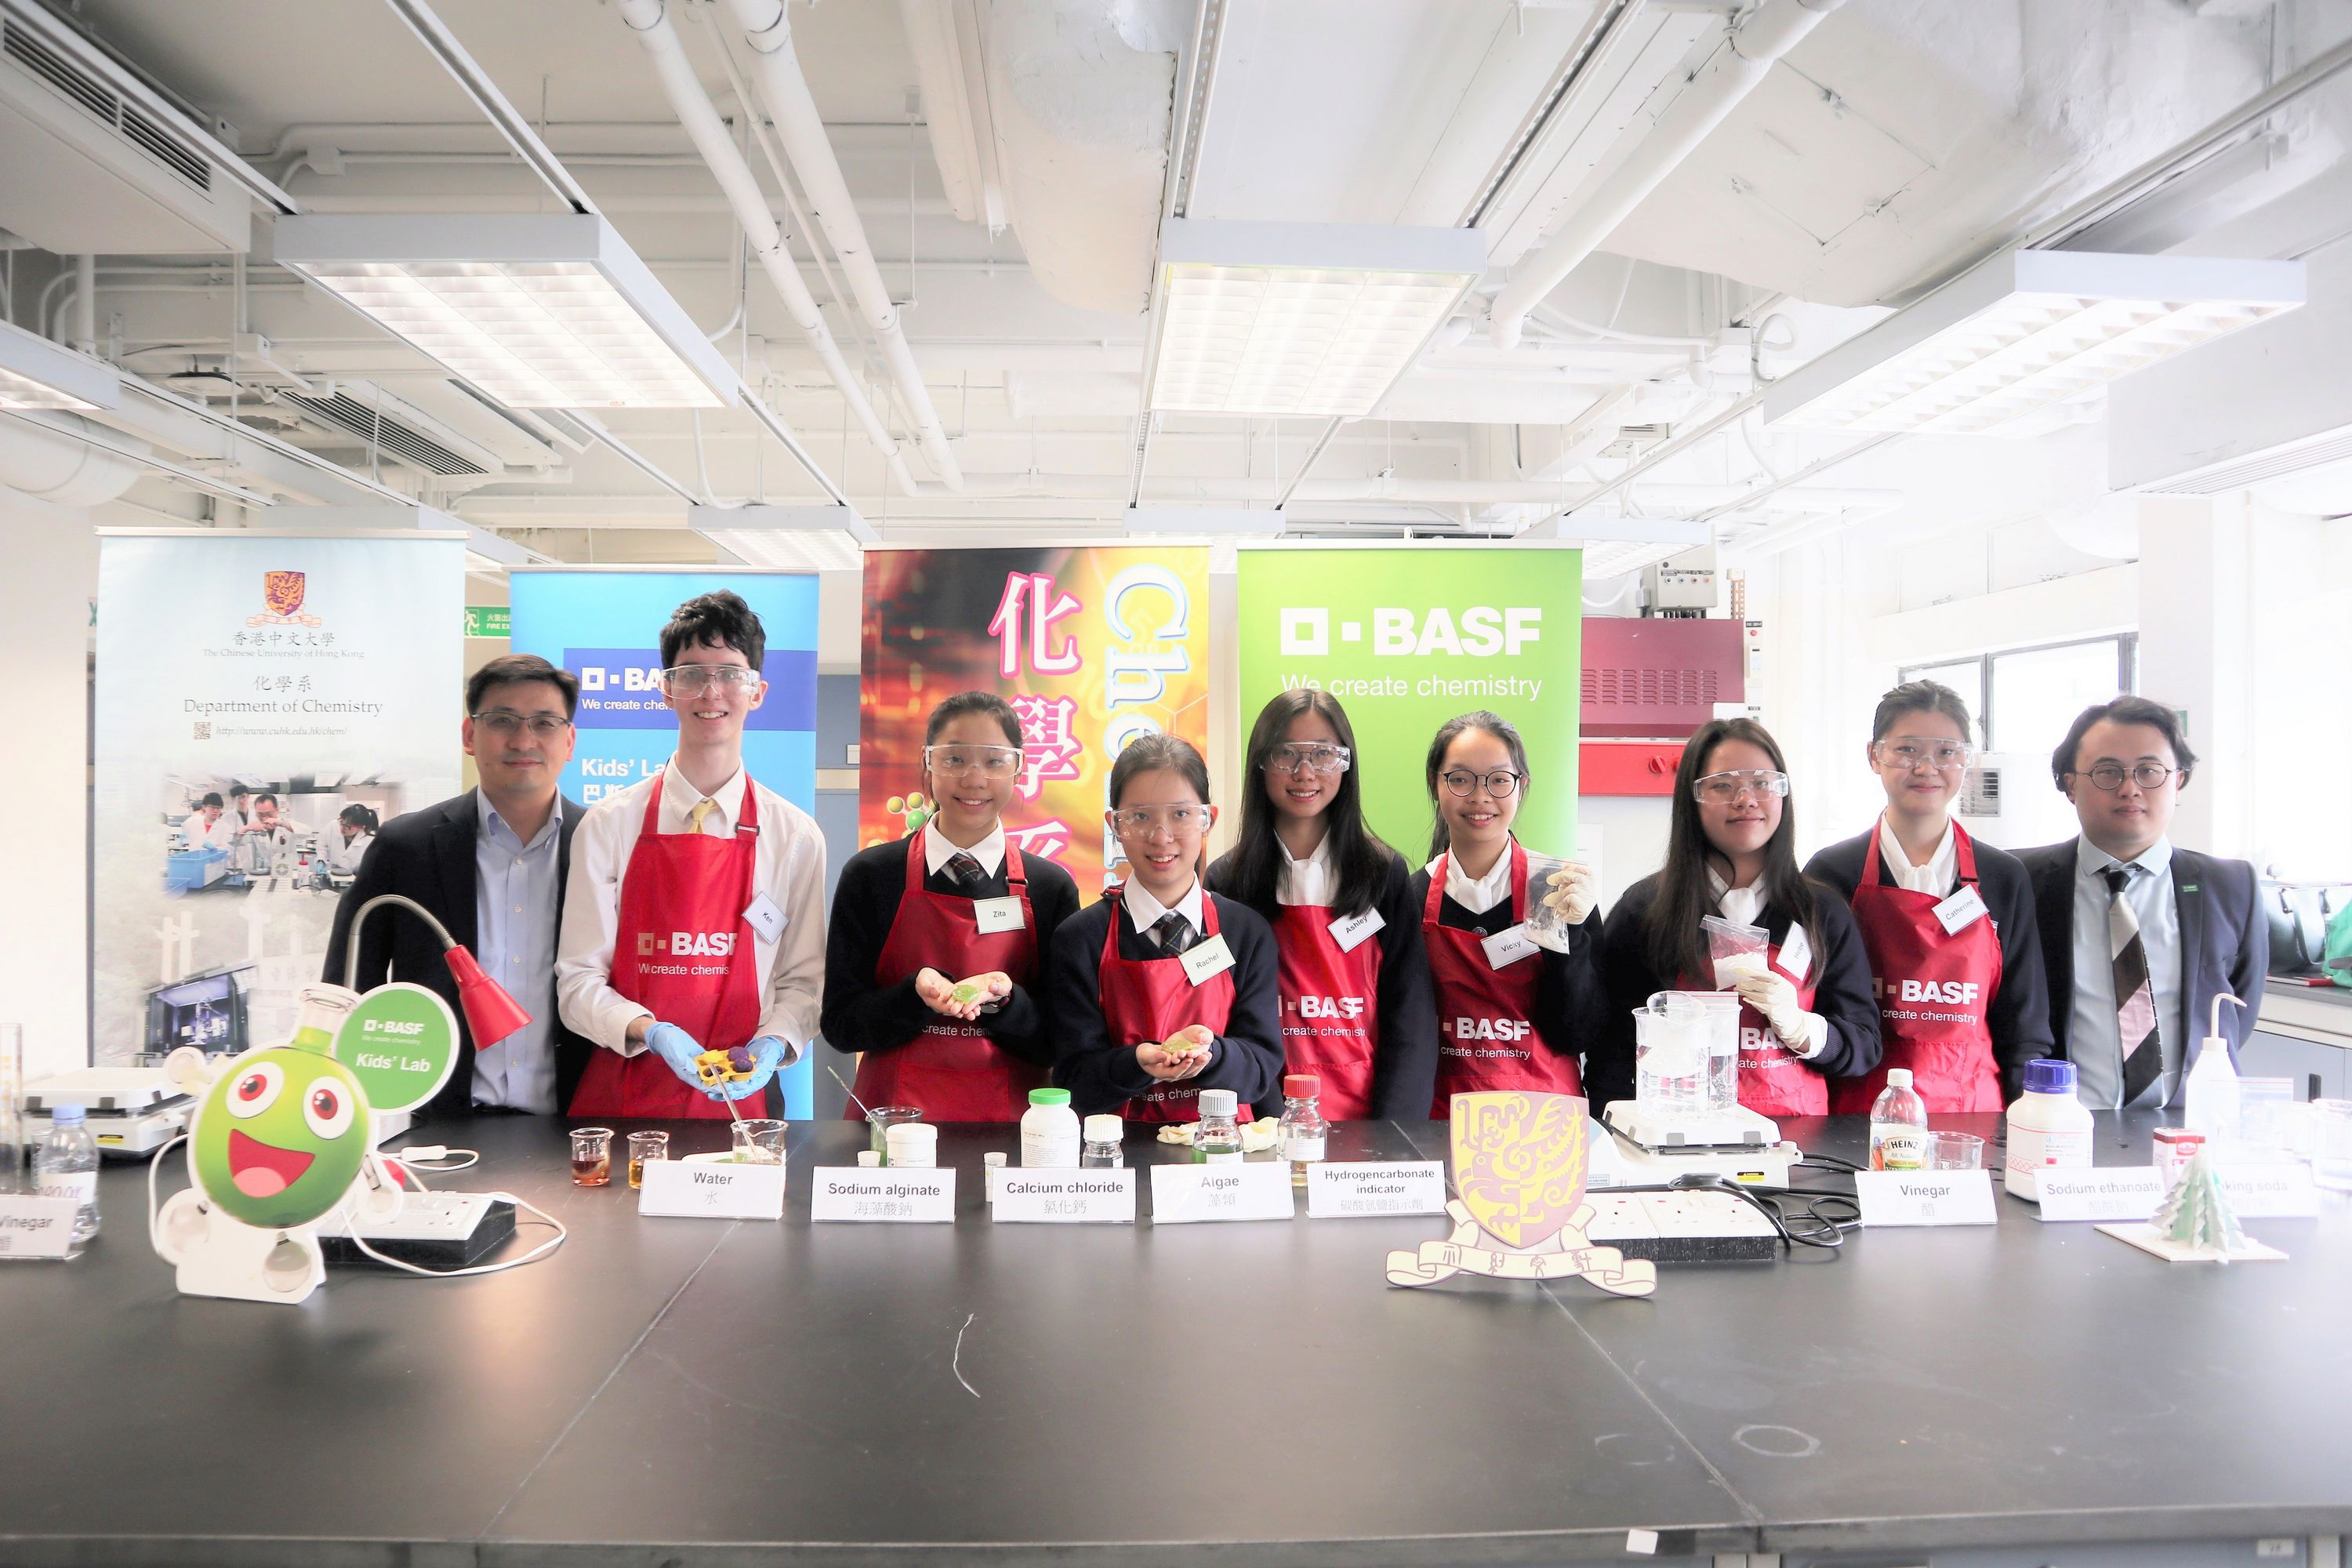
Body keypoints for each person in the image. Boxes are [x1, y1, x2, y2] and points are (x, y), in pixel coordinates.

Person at [557, 591, 826, 1120]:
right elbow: (578, 983)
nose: (711, 691)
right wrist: (650, 1031)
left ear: (758, 692)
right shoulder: (610, 825)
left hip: (745, 1102)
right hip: (626, 1098)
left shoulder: (794, 835)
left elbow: (804, 983)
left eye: (730, 673)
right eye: (691, 674)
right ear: (665, 690)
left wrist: (774, 1043)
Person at [323, 654, 594, 1117]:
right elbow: (348, 989)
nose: (524, 739)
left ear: (569, 741)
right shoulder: (405, 846)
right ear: (470, 735)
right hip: (437, 1124)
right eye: (503, 720)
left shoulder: (605, 845)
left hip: (577, 1123)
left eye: (545, 723)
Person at [1593, 718, 1880, 1116]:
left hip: (1795, 1145)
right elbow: (1610, 1048)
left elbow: (1863, 1045)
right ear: (1691, 800)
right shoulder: (1645, 909)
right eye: (1723, 785)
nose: (1746, 799)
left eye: (1763, 782)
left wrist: (1801, 1027)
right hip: (1677, 1142)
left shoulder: (1820, 911)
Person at [822, 691, 1080, 1120]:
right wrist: (913, 996)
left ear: (1019, 768)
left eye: (994, 761)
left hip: (1014, 1129)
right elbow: (841, 1026)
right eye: (955, 759)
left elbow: (1063, 1038)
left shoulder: (1050, 887)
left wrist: (1005, 1000)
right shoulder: (871, 876)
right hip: (893, 1128)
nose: (974, 779)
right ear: (928, 762)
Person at [1805, 681, 2053, 1110]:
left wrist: (2024, 1118)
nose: (1926, 767)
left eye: (1946, 752)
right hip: (1855, 1114)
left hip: (1971, 1113)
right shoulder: (1829, 874)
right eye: (1907, 750)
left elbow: (2023, 1021)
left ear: (1966, 761)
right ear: (1874, 756)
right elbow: (1812, 1012)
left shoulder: (2003, 878)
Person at [2017, 696, 2267, 1110]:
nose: (2130, 788)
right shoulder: (2020, 879)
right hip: (2060, 1123)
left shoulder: (2231, 885)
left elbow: (2240, 1006)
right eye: (2107, 772)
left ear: (2179, 780)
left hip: (2193, 1126)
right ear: (2070, 783)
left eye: (2149, 771)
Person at [1206, 690, 1439, 1121]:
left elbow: (1410, 1014)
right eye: (1286, 754)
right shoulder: (1226, 881)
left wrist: (1392, 1134)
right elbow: (1219, 1013)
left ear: (1347, 764)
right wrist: (1267, 1122)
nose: (1305, 771)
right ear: (1260, 761)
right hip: (1261, 1114)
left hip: (1368, 1114)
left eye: (1324, 755)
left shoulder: (1382, 873)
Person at [1048, 734, 1283, 1120]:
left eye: (1180, 814)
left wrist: (1212, 1054)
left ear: (1209, 819)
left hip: (1222, 1154)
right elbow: (1073, 1079)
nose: (1161, 837)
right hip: (1117, 1157)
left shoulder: (1246, 932)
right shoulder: (1080, 938)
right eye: (1140, 816)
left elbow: (1261, 1067)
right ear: (1115, 825)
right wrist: (1136, 1063)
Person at [1410, 711, 1606, 1116]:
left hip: (1545, 1123)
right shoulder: (1409, 897)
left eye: (1499, 780)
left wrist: (1573, 934)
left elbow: (1578, 1034)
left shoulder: (1558, 890)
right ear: (1435, 783)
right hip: (1440, 1122)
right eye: (1460, 779)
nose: (1481, 797)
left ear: (1521, 787)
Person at [332, 804, 379, 875]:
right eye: (342, 822)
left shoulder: (371, 841)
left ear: (361, 827)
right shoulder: (335, 829)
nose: (343, 827)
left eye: (348, 826)